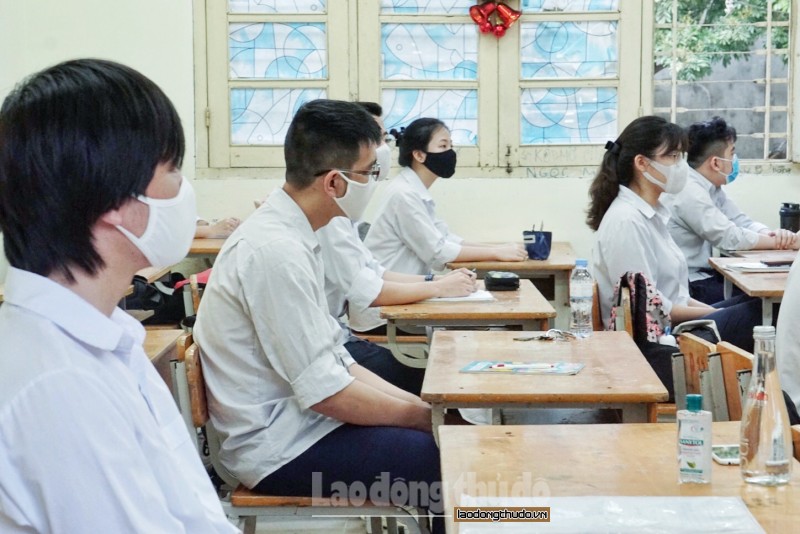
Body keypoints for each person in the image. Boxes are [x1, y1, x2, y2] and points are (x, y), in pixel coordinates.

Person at [0, 59, 235, 532]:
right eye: (172, 168)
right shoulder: (60, 384)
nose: (183, 189)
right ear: (114, 202)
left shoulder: (107, 337)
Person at [193, 99, 442, 530]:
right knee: (439, 461)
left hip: (303, 423)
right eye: (369, 172)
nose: (375, 182)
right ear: (334, 182)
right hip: (277, 448)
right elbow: (327, 393)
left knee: (441, 435)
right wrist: (422, 419)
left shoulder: (297, 233)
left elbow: (338, 360)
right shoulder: (275, 251)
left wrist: (422, 409)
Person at [317, 103, 477, 393]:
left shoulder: (342, 213)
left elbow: (376, 271)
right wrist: (439, 286)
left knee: (454, 368)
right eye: (380, 138)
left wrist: (436, 281)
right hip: (348, 334)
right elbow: (370, 289)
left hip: (344, 333)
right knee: (448, 381)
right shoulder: (330, 218)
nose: (386, 147)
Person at [588, 115, 763, 353]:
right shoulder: (626, 221)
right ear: (642, 163)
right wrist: (718, 314)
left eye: (681, 156)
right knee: (762, 314)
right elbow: (650, 308)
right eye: (672, 157)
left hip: (673, 328)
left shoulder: (653, 213)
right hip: (657, 345)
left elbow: (678, 296)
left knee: (759, 302)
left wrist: (718, 313)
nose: (680, 166)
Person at [364, 117, 527, 276]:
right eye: (443, 146)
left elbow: (445, 237)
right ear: (419, 155)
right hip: (391, 289)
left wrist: (498, 249)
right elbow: (437, 251)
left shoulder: (414, 190)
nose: (450, 152)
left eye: (451, 145)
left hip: (406, 285)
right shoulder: (404, 194)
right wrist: (496, 253)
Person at [662, 116, 800, 304]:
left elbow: (741, 221)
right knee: (767, 302)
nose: (734, 160)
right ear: (715, 163)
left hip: (704, 276)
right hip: (690, 284)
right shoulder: (688, 190)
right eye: (732, 153)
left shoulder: (711, 187)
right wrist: (783, 243)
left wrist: (773, 235)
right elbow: (729, 237)